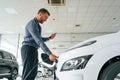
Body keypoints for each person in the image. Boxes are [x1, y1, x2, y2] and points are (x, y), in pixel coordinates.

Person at [21, 8, 58, 80]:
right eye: (45, 17)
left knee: (33, 72)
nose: (46, 19)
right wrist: (49, 54)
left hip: (33, 49)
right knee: (28, 73)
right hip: (28, 49)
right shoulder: (32, 24)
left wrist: (49, 38)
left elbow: (39, 39)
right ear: (40, 14)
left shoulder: (38, 26)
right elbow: (38, 40)